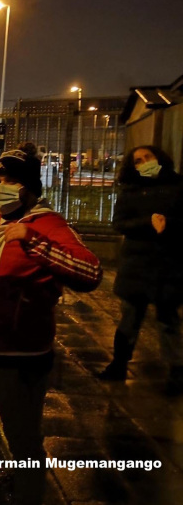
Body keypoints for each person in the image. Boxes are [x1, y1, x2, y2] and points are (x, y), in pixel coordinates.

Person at [0, 147, 102, 505]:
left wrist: (32, 242)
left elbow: (90, 272)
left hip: (21, 354)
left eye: (11, 181)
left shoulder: (49, 226)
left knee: (23, 435)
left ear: (30, 188)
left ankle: (31, 492)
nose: (1, 188)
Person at [98, 145, 183, 393]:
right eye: (138, 160)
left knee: (169, 321)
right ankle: (119, 364)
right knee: (129, 319)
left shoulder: (178, 186)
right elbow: (120, 223)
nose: (144, 162)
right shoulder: (131, 190)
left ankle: (177, 371)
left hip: (170, 264)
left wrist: (170, 223)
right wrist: (147, 222)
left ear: (159, 158)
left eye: (148, 157)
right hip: (137, 265)